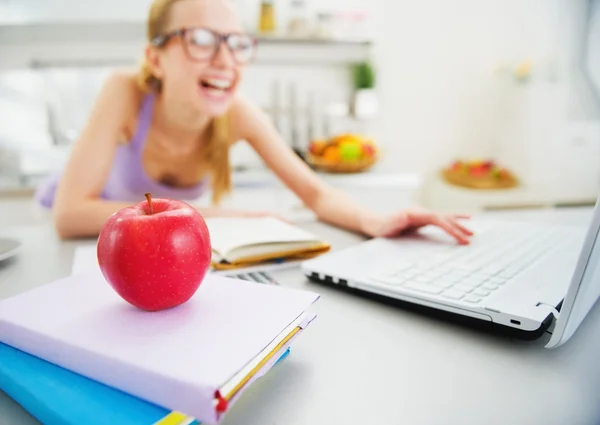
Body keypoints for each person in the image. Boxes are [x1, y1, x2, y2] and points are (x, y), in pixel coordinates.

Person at [36, 0, 473, 244]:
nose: (225, 60)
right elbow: (70, 215)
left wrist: (376, 222)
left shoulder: (239, 113)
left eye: (237, 43)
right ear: (155, 57)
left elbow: (316, 193)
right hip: (91, 239)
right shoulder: (125, 92)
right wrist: (226, 217)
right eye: (201, 40)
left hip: (154, 245)